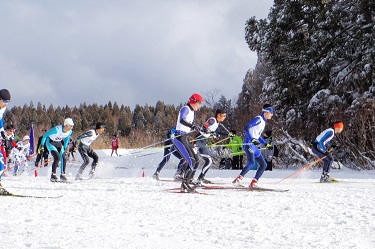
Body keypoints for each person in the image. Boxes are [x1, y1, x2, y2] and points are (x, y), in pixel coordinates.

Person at [232, 104, 274, 188]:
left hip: (253, 146)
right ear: (266, 112)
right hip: (248, 143)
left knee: (263, 164)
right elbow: (246, 127)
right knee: (251, 162)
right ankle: (238, 179)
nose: (272, 114)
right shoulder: (259, 119)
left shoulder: (263, 122)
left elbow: (257, 136)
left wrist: (265, 144)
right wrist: (251, 139)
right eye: (271, 112)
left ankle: (254, 182)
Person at [172, 93, 203, 192]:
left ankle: (189, 181)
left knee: (197, 160)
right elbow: (182, 120)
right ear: (194, 102)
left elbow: (190, 124)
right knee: (191, 161)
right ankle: (184, 184)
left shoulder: (193, 112)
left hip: (185, 137)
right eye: (199, 103)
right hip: (179, 137)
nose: (199, 106)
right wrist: (193, 126)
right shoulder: (185, 108)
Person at [192, 109, 230, 184]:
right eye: (224, 115)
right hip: (198, 141)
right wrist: (210, 132)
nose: (224, 117)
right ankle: (186, 175)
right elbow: (205, 126)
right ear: (219, 115)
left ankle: (200, 178)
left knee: (209, 161)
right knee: (194, 160)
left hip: (203, 142)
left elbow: (218, 132)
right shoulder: (212, 120)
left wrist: (228, 134)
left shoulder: (217, 124)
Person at [39, 118, 74, 182]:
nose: (71, 128)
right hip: (50, 142)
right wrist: (41, 145)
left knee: (64, 157)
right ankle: (53, 175)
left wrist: (65, 149)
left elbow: (67, 139)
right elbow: (45, 135)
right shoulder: (57, 129)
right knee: (57, 157)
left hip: (58, 143)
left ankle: (62, 175)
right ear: (65, 125)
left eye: (72, 126)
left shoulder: (70, 132)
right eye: (70, 126)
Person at [0, 89, 11, 194]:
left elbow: (0, 120)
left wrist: (2, 131)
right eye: (4, 101)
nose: (6, 104)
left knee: (1, 161)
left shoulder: (2, 109)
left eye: (8, 102)